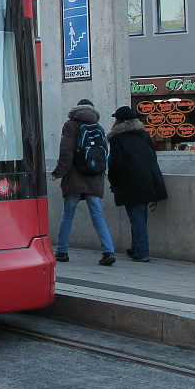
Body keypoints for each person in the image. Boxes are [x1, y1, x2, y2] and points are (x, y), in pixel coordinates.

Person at [49, 98, 115, 266]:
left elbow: (66, 152)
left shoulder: (71, 125)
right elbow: (103, 155)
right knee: (97, 215)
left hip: (75, 178)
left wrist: (58, 172)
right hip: (94, 178)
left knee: (68, 214)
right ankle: (108, 251)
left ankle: (62, 251)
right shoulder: (98, 127)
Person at [107, 106, 168, 262]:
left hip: (130, 182)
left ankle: (141, 251)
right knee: (140, 216)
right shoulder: (143, 135)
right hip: (148, 179)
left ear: (120, 121)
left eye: (116, 119)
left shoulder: (117, 138)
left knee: (136, 217)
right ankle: (136, 248)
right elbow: (152, 157)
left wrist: (113, 182)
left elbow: (115, 163)